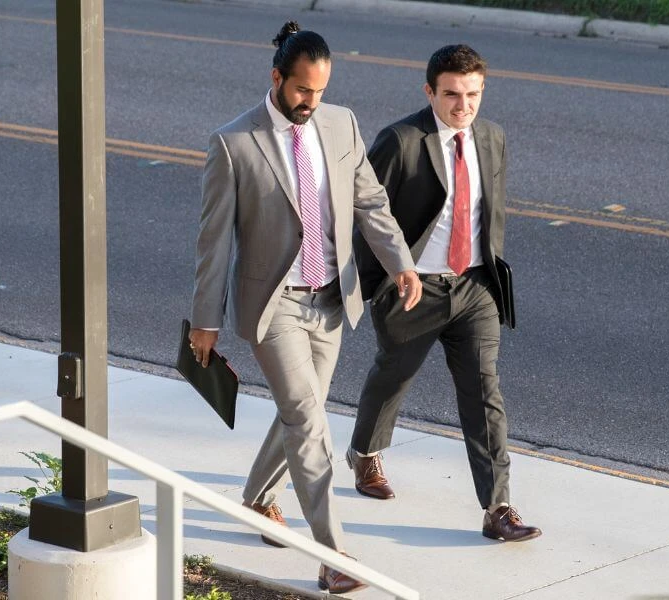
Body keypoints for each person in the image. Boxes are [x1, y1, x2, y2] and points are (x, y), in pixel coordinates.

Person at [189, 21, 422, 593]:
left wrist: (400, 262)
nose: (310, 103)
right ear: (276, 78)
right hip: (275, 307)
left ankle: (257, 496)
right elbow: (213, 240)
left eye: (318, 92)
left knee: (305, 409)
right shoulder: (234, 141)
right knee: (307, 419)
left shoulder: (340, 124)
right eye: (301, 91)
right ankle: (333, 555)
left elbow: (369, 200)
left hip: (331, 300)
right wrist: (205, 320)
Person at [348, 44, 541, 542]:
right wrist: (381, 284)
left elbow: (489, 214)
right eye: (451, 94)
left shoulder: (493, 138)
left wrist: (491, 277)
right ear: (429, 90)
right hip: (415, 287)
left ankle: (497, 506)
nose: (463, 106)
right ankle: (365, 452)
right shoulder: (401, 140)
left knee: (483, 392)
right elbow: (366, 213)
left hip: (474, 287)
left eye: (473, 94)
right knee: (394, 375)